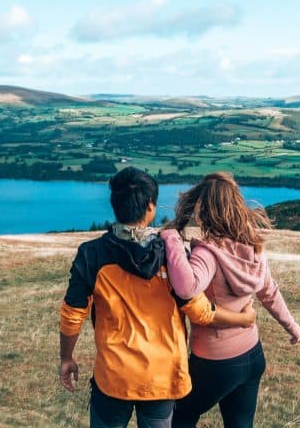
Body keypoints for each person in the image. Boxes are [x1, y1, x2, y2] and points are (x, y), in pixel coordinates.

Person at [59, 167, 257, 428]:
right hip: (162, 377)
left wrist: (67, 358)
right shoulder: (171, 256)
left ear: (115, 205)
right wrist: (243, 319)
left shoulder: (91, 254)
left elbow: (73, 315)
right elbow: (200, 311)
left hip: (113, 375)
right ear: (151, 207)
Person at [160, 172, 300, 428]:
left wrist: (171, 238)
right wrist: (292, 326)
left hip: (216, 361)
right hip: (252, 355)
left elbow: (186, 287)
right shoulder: (253, 247)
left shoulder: (208, 252)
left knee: (178, 417)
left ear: (206, 210)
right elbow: (269, 292)